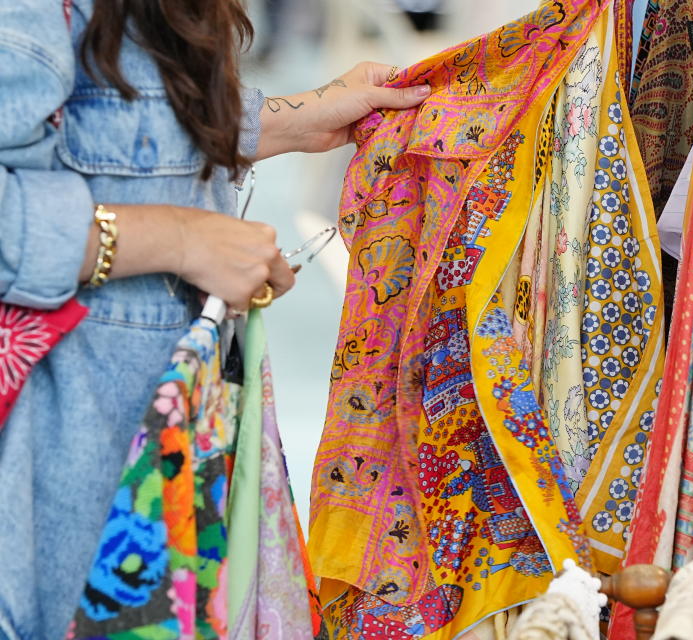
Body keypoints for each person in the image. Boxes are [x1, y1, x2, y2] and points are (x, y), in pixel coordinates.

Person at [0, 1, 429, 638]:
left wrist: (294, 118)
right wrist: (180, 240)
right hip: (64, 448)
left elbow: (127, 116)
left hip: (171, 422)